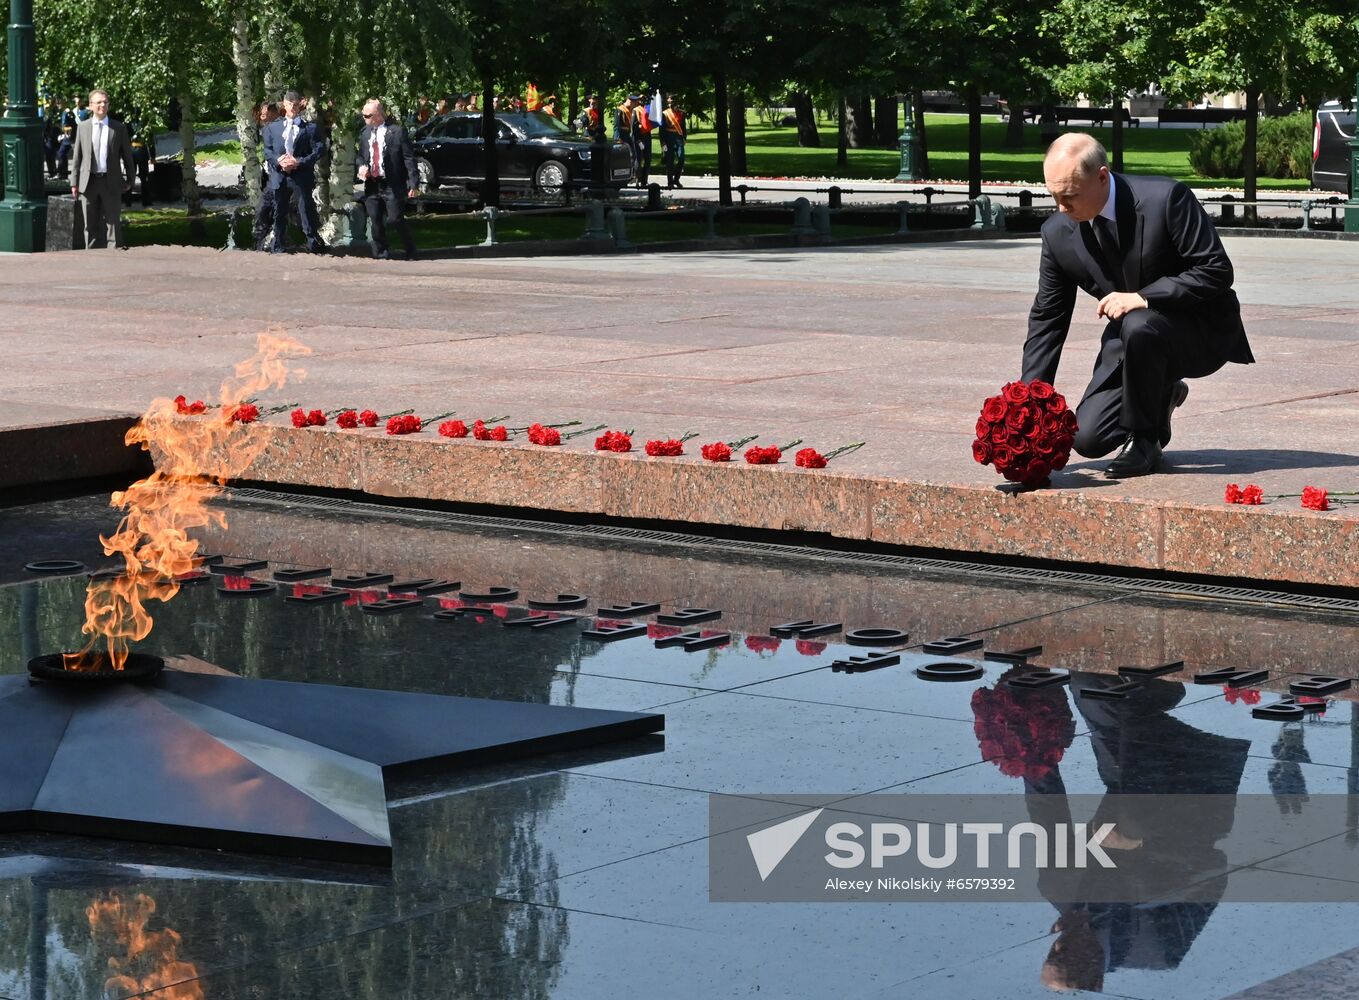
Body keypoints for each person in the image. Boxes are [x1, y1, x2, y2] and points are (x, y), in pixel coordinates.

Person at [1022, 133, 1253, 478]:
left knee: (1139, 322)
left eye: (1068, 195)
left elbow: (1216, 270)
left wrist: (1145, 297)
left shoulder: (1166, 199)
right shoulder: (1057, 233)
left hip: (1199, 329)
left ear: (1101, 176)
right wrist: (1029, 404)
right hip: (1133, 342)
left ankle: (1146, 439)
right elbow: (1048, 318)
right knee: (1087, 438)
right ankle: (1162, 393)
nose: (1060, 207)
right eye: (1053, 195)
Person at [262, 89, 327, 254]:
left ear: (300, 106)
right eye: (290, 103)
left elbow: (318, 150)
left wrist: (299, 161)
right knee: (279, 210)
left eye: (296, 104)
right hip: (280, 175)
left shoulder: (310, 128)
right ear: (284, 104)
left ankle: (313, 242)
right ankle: (278, 243)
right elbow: (267, 151)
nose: (293, 107)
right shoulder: (272, 128)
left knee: (305, 208)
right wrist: (279, 160)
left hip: (301, 175)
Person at [69, 89, 135, 249]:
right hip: (88, 182)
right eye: (99, 102)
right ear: (91, 106)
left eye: (105, 102)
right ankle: (91, 258)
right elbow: (77, 157)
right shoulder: (83, 127)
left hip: (110, 181)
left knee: (113, 223)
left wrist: (131, 179)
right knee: (89, 225)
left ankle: (115, 257)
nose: (102, 105)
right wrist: (74, 182)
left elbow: (127, 155)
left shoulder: (118, 128)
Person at [356, 98, 420, 260]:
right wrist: (362, 167)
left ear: (378, 115)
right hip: (372, 183)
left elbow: (408, 158)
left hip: (391, 183)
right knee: (375, 219)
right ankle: (380, 253)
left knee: (395, 219)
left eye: (368, 115)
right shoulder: (365, 133)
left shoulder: (396, 132)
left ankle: (410, 249)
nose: (365, 118)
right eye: (364, 115)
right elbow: (361, 157)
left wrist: (413, 183)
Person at [251, 101, 280, 250]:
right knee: (262, 211)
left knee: (279, 212)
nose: (262, 115)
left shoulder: (281, 128)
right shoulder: (265, 128)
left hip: (281, 178)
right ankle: (259, 244)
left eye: (265, 112)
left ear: (274, 113)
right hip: (269, 179)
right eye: (262, 112)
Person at [660, 95, 685, 189]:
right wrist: (663, 142)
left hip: (678, 138)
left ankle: (676, 179)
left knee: (681, 158)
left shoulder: (681, 113)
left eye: (672, 100)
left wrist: (684, 138)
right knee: (670, 161)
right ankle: (670, 182)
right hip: (669, 138)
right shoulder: (665, 113)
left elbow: (683, 128)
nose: (670, 102)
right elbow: (662, 129)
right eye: (669, 100)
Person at [632, 97, 654, 188]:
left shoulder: (649, 109)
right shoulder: (635, 110)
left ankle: (644, 180)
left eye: (644, 99)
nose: (643, 101)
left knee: (648, 159)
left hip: (647, 136)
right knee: (639, 159)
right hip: (639, 137)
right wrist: (637, 139)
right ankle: (637, 179)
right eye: (641, 100)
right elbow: (634, 125)